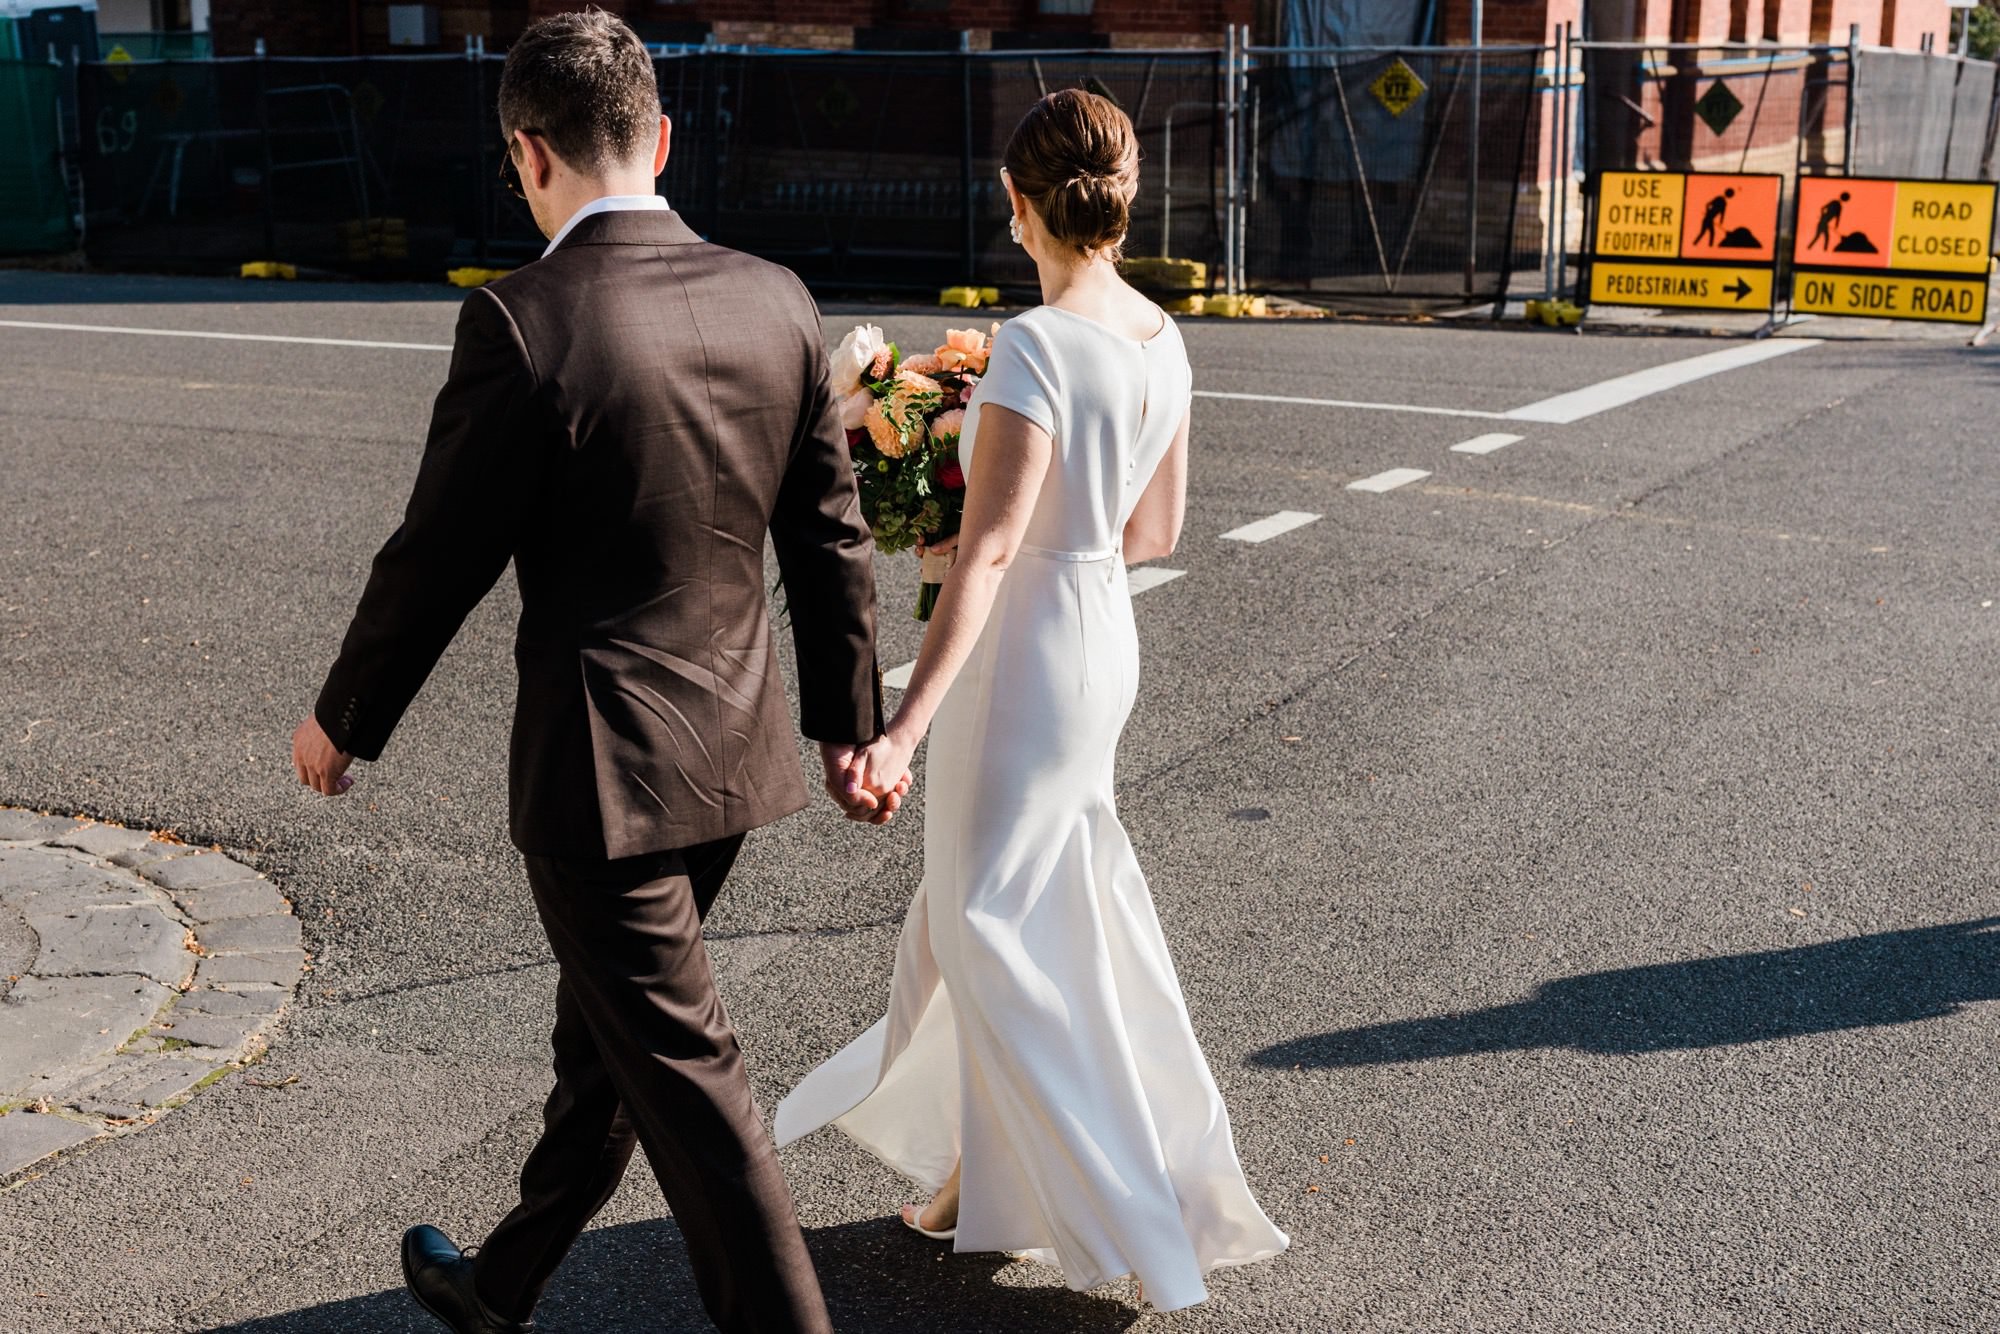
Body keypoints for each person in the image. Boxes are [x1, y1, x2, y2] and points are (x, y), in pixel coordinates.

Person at [288, 11, 904, 1333]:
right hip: (733, 761)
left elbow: (436, 553)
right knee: (612, 1044)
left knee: (688, 1074)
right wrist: (849, 722)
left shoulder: (525, 322)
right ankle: (502, 1281)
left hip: (602, 783)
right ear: (661, 138)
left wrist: (348, 716)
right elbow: (829, 533)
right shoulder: (775, 298)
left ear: (528, 154)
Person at [774, 89, 1290, 1314]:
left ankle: (1132, 1195)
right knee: (1005, 904)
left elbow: (989, 555)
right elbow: (1152, 531)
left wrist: (899, 724)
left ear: (1017, 202)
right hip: (1102, 636)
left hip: (1025, 654)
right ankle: (968, 1173)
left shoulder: (1033, 346)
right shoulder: (1161, 338)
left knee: (988, 925)